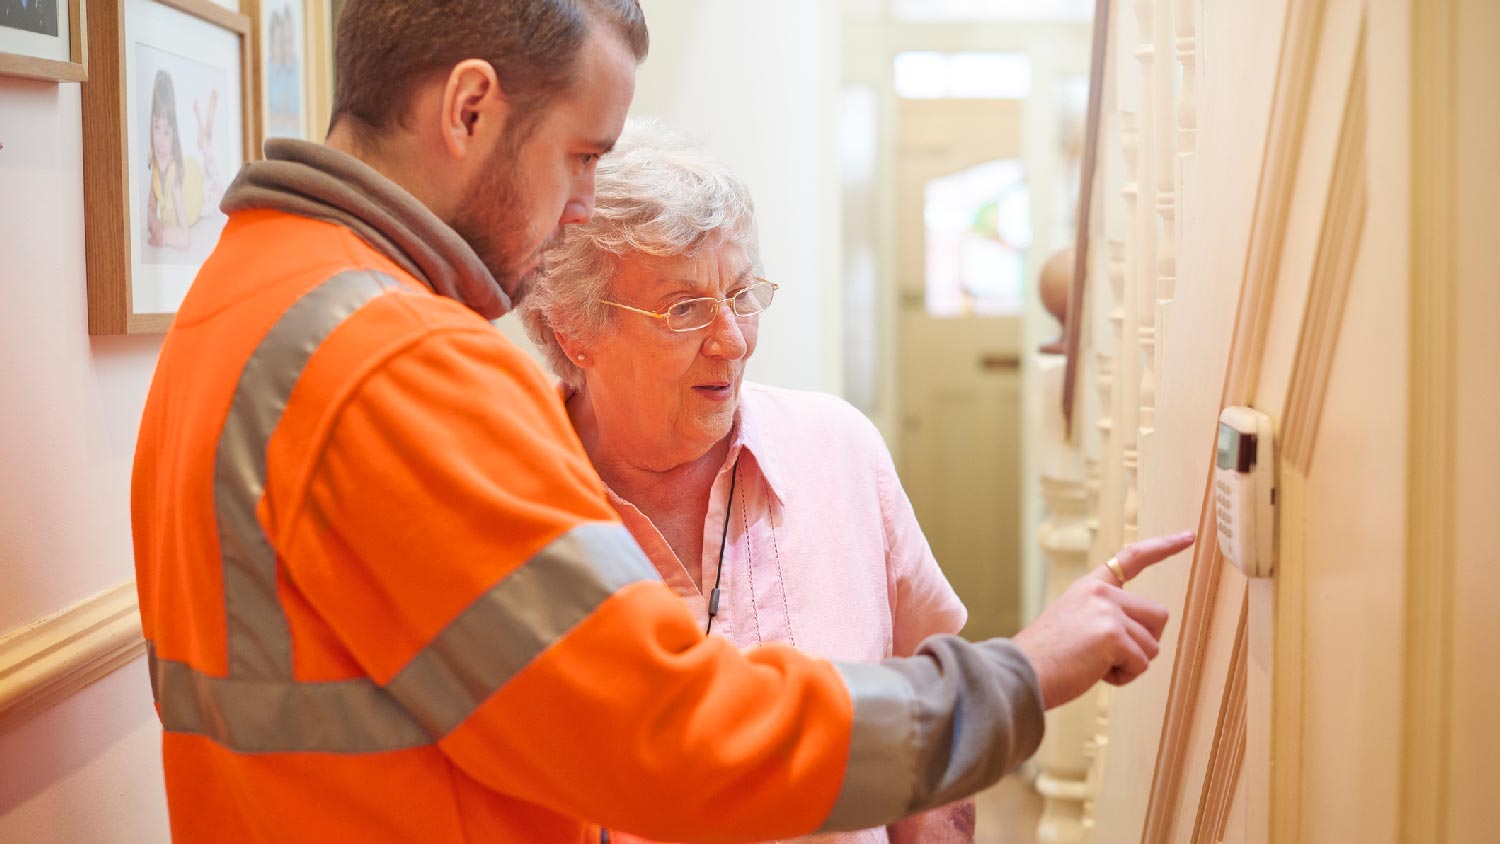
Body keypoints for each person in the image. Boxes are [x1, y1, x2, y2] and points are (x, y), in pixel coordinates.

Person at [130, 1, 1193, 842]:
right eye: (582, 156)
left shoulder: (243, 295)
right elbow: (669, 733)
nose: (581, 206)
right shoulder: (397, 357)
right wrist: (1024, 672)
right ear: (468, 110)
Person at [519, 119, 976, 844]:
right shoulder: (511, 500)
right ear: (576, 329)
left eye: (741, 294)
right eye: (684, 308)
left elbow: (935, 712)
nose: (731, 339)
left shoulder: (840, 452)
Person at [145, 69, 222, 251]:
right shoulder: (156, 168)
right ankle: (204, 133)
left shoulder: (174, 179)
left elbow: (185, 239)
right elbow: (150, 206)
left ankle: (206, 131)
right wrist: (154, 222)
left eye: (167, 131)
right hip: (192, 177)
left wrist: (163, 236)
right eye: (156, 127)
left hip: (205, 195)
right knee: (205, 157)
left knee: (220, 190)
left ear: (174, 136)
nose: (161, 141)